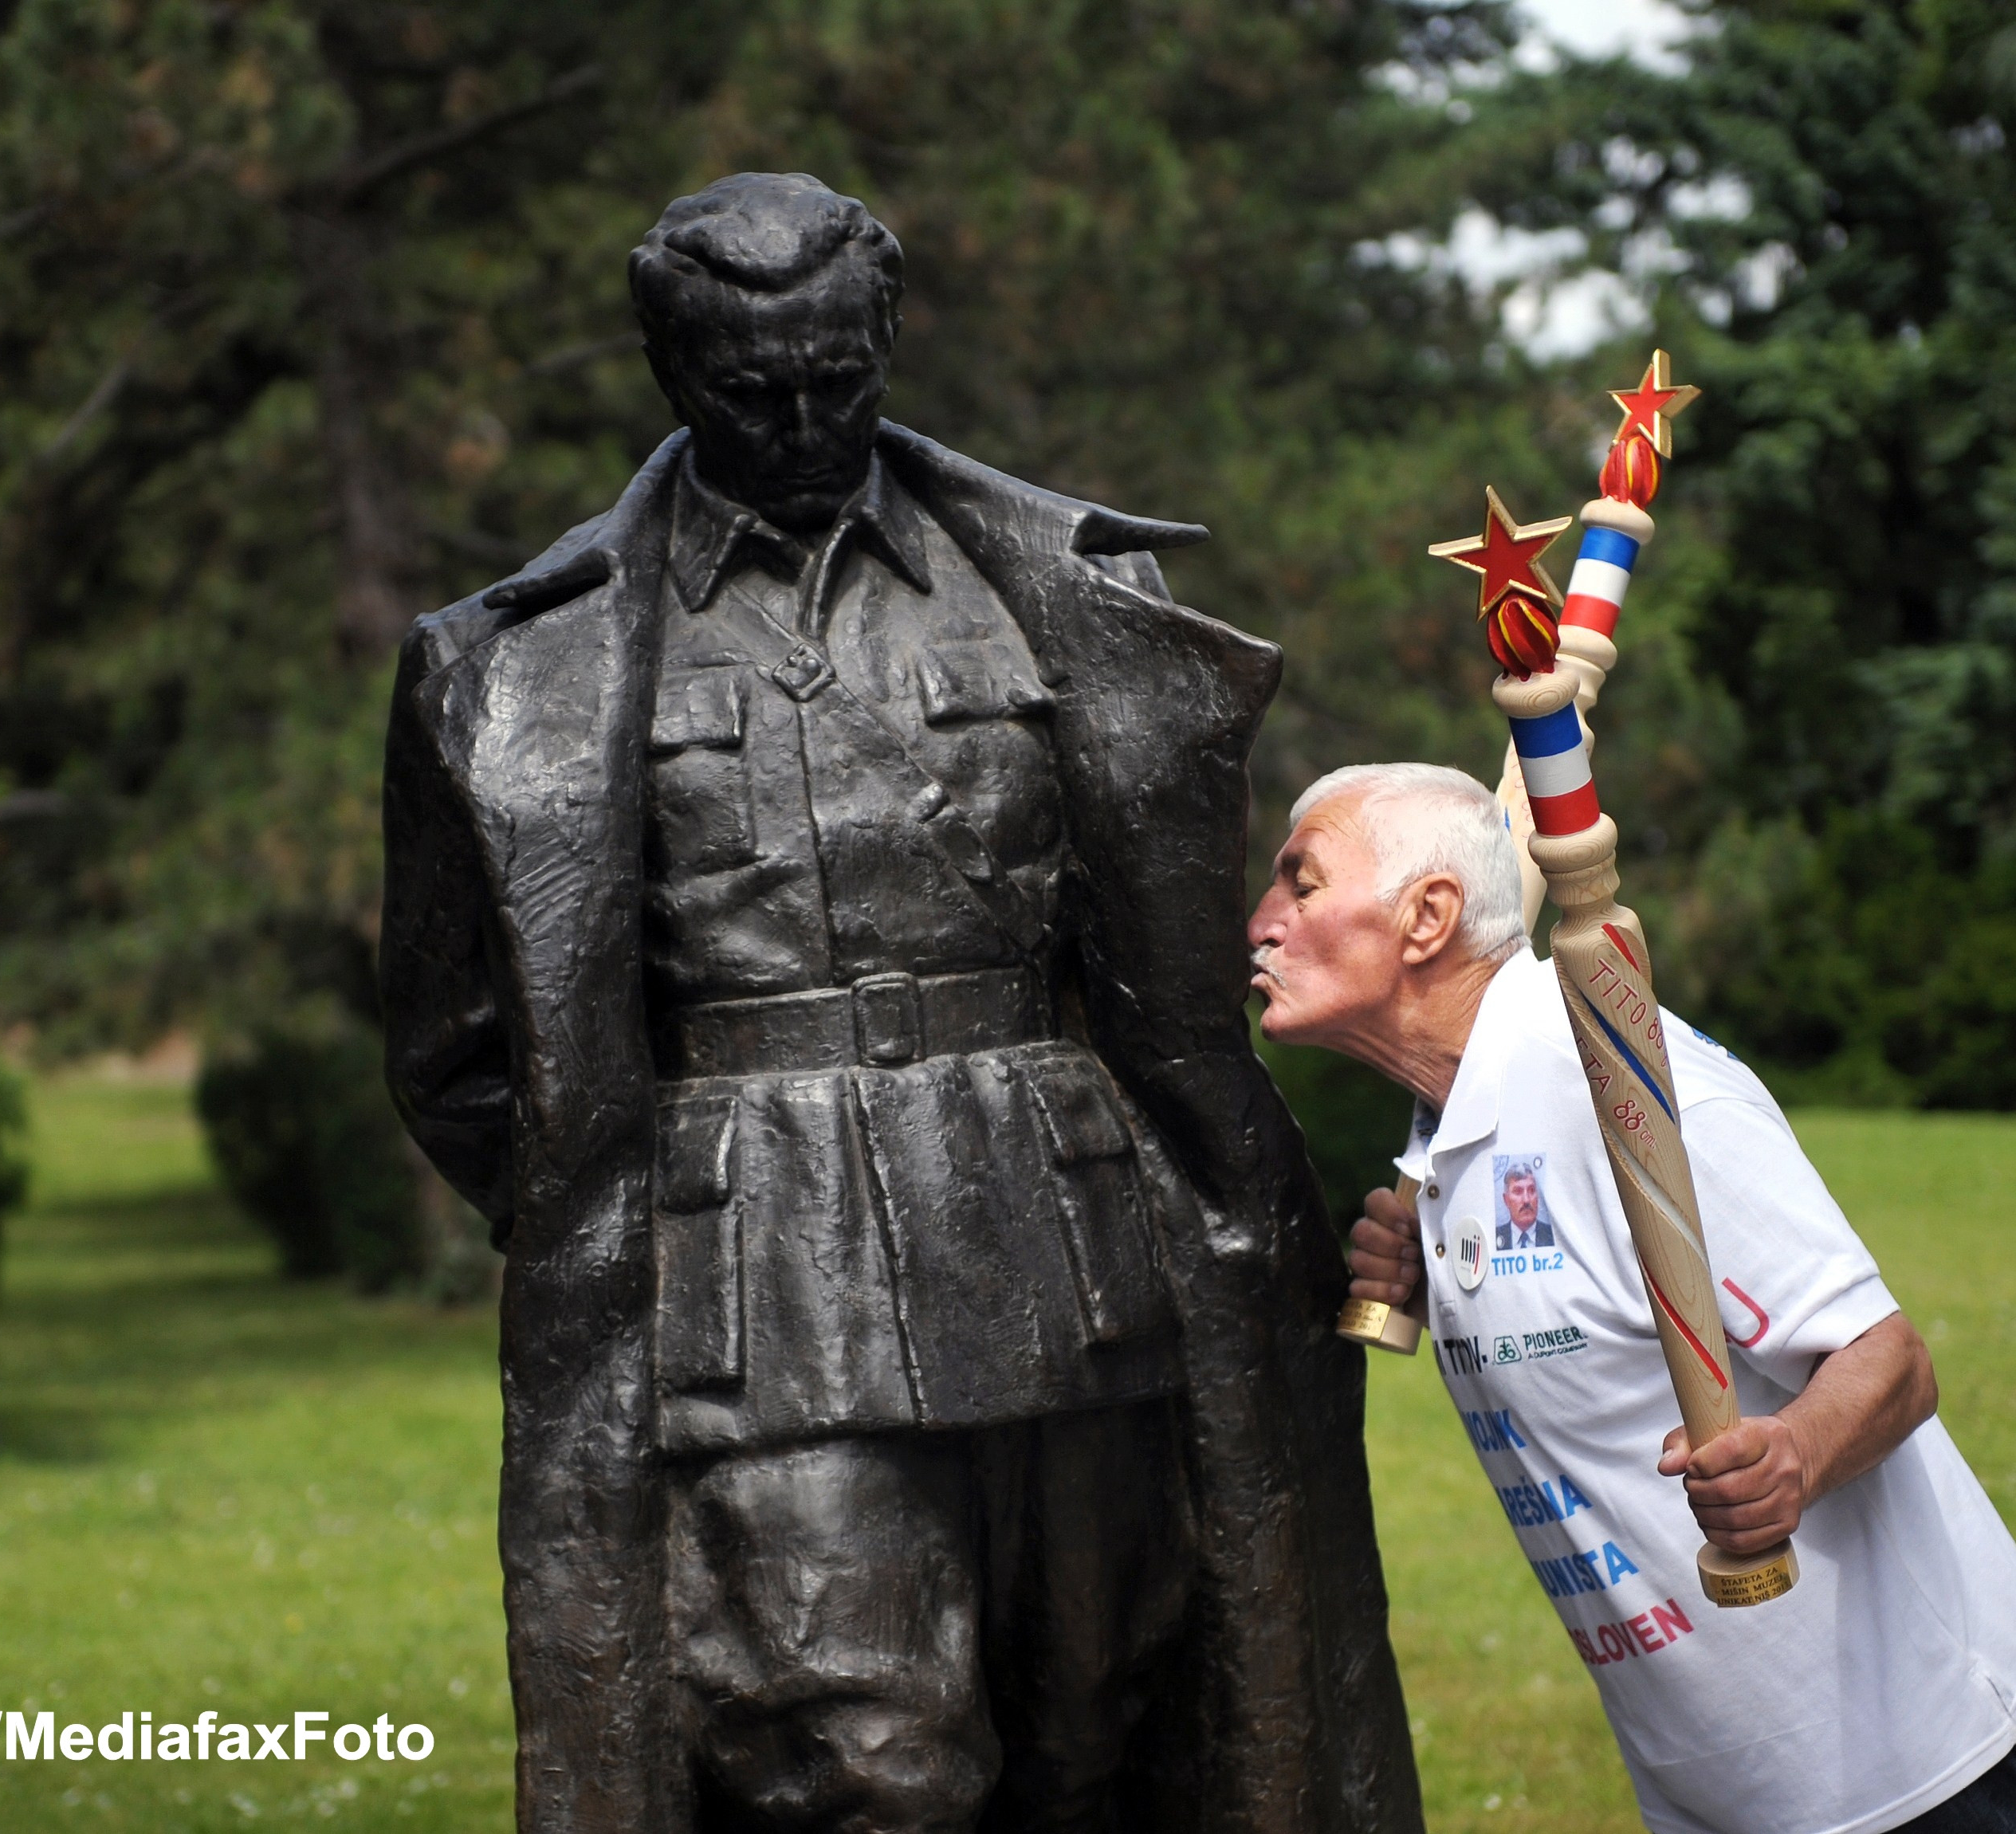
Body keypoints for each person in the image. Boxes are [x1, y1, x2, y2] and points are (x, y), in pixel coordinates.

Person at [383, 173, 1417, 1833]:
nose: (799, 420)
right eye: (748, 390)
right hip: (750, 1284)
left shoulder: (1062, 586)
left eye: (834, 379)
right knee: (862, 1763)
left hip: (1070, 1253)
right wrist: (633, 1223)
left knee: (1100, 1739)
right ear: (672, 374)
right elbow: (454, 1047)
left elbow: (1153, 959)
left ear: (884, 341)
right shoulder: (516, 659)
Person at [1246, 761, 2016, 1834]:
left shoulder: (1634, 1094)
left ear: (1426, 917)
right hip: (1719, 1794)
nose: (1260, 921)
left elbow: (1888, 1359)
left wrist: (1790, 1453)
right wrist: (1424, 1261)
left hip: (1924, 1767)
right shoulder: (1452, 1127)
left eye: (1301, 882)